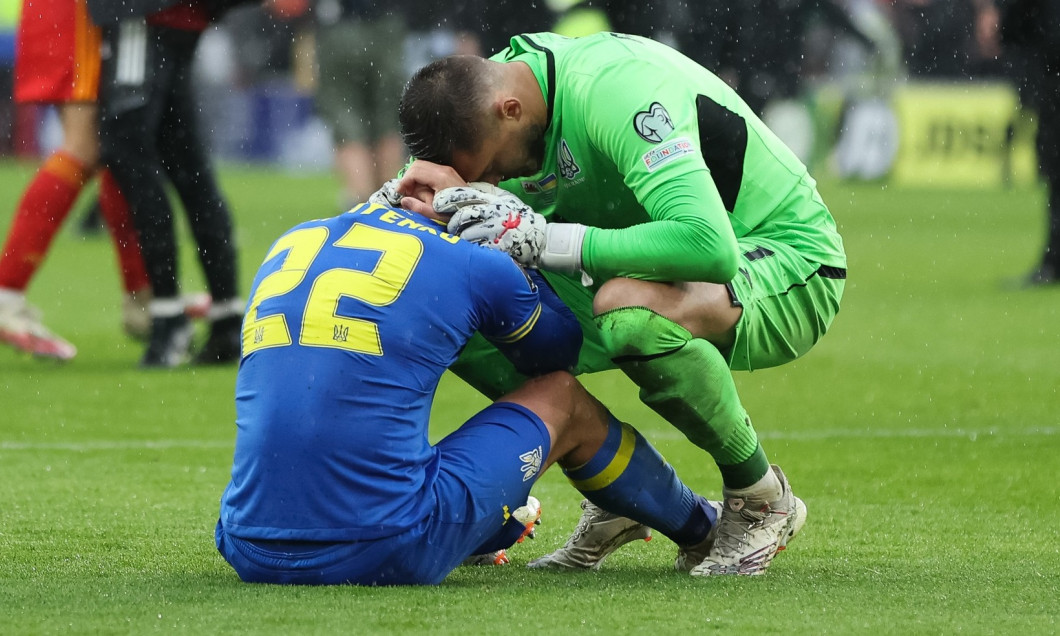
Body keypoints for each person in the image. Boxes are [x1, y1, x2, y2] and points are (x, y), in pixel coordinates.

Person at [394, 31, 846, 576]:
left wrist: (545, 241)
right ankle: (614, 488)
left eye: (490, 170)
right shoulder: (484, 103)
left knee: (629, 309)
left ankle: (760, 497)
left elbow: (708, 245)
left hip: (785, 259)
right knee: (454, 305)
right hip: (626, 265)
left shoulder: (614, 89)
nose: (490, 184)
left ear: (509, 111)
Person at [214, 194, 727, 585]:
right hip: (385, 541)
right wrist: (522, 262)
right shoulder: (469, 257)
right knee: (564, 399)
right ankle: (703, 528)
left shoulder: (293, 238)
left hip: (245, 539)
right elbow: (556, 356)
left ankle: (493, 524)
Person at [89, 0, 246, 367]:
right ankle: (225, 316)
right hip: (185, 14)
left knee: (127, 150)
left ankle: (169, 314)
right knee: (185, 162)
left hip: (143, 13)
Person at [0, 0, 152, 361]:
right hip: (76, 12)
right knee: (86, 145)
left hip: (64, 12)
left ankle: (143, 296)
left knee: (111, 146)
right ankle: (6, 291)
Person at [979, 0, 1060, 286]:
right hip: (1049, 75)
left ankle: (1053, 264)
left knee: (1056, 177)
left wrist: (1003, 25)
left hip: (1051, 79)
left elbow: (1022, 22)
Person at [311, 0, 409, 208]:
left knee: (347, 122)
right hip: (386, 27)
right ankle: (389, 206)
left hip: (339, 27)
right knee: (389, 122)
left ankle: (361, 205)